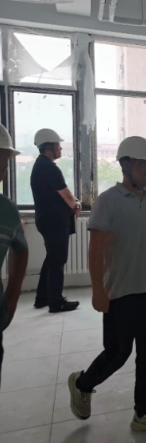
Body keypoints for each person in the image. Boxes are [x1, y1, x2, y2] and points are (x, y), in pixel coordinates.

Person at [67, 136, 146, 434]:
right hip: (120, 293)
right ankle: (82, 384)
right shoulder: (108, 201)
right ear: (125, 164)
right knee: (117, 353)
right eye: (144, 165)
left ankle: (144, 412)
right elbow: (96, 249)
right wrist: (98, 290)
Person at [30, 128, 80, 313]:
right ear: (49, 146)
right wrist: (76, 204)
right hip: (54, 222)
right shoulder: (49, 168)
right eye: (58, 145)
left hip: (46, 220)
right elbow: (67, 195)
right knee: (58, 261)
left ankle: (42, 297)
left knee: (52, 258)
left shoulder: (40, 165)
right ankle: (56, 302)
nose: (60, 149)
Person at [0, 124, 29, 389]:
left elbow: (21, 248)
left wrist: (13, 295)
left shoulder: (6, 210)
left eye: (5, 163)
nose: (4, 171)